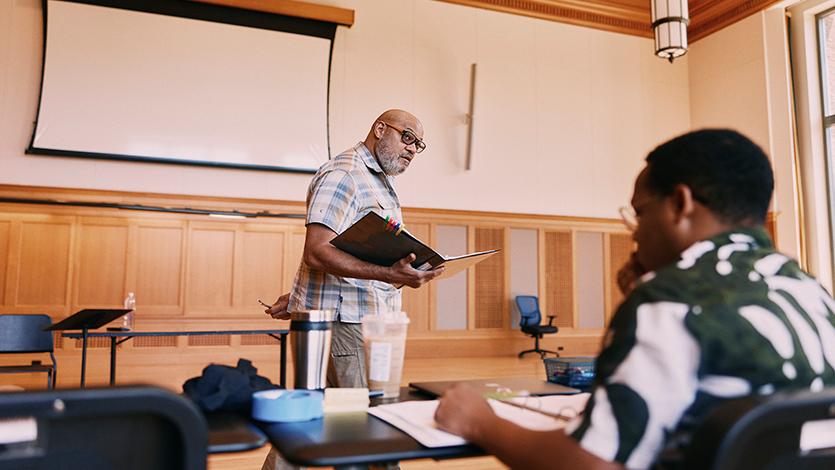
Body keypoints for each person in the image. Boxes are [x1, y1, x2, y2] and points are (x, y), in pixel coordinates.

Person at [434, 129, 835, 469]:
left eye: (640, 214)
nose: (636, 234)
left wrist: (480, 423)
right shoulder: (809, 291)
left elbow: (594, 464)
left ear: (680, 204)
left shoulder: (666, 302)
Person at [261, 109, 443, 469]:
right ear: (380, 129)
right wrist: (389, 274)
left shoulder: (375, 179)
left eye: (418, 144)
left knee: (315, 418)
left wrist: (298, 297)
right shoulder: (345, 174)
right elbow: (317, 251)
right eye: (407, 137)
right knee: (364, 425)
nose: (412, 149)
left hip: (358, 322)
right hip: (345, 326)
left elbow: (341, 248)